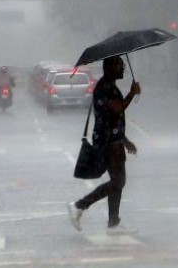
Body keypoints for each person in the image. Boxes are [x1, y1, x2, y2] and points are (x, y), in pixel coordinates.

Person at [67, 55, 141, 235]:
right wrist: (132, 93)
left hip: (113, 141)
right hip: (107, 143)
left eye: (123, 65)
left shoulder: (109, 86)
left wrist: (125, 140)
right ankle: (79, 206)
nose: (123, 68)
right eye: (119, 65)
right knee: (118, 181)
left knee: (118, 182)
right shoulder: (104, 88)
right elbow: (118, 108)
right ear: (110, 67)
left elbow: (112, 118)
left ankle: (113, 224)